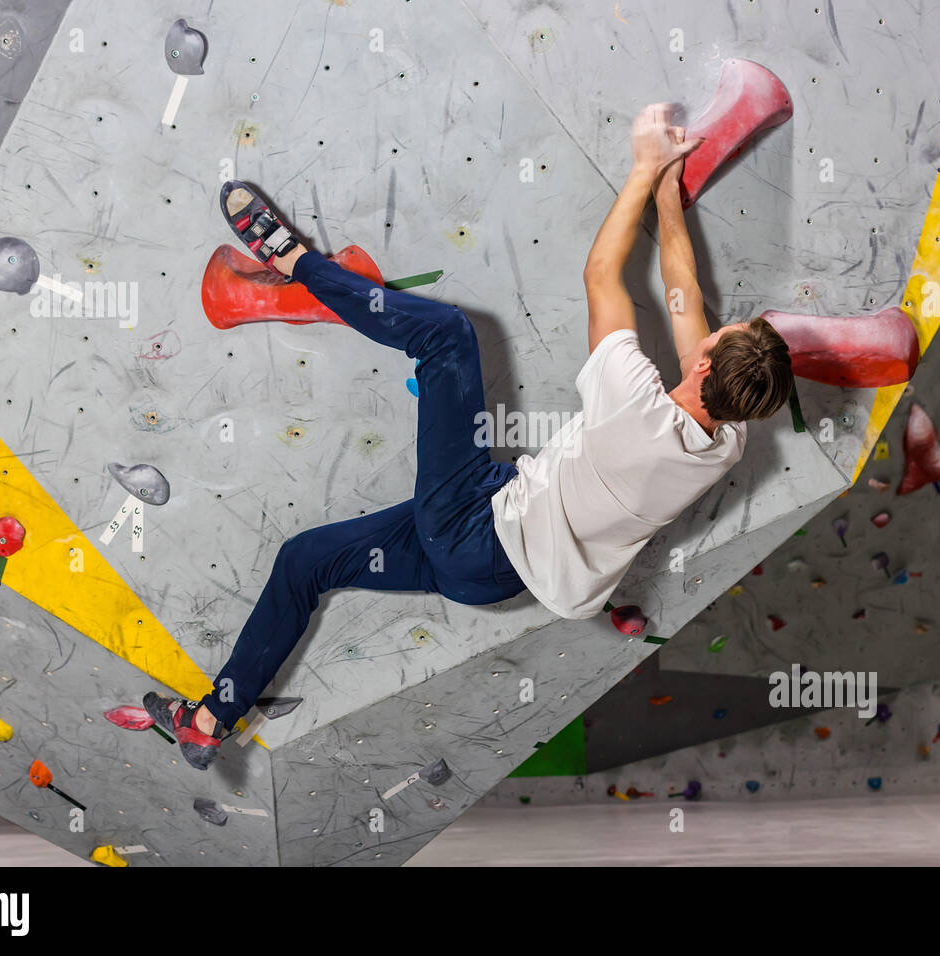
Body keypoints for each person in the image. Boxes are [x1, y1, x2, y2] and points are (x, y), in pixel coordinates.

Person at [145, 103, 794, 769]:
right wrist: (667, 190)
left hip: (473, 529)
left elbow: (603, 273)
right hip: (493, 571)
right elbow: (682, 292)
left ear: (706, 365)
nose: (709, 328)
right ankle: (207, 720)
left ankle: (296, 263)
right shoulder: (725, 442)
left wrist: (641, 168)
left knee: (446, 338)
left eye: (719, 335)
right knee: (303, 562)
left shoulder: (633, 401)